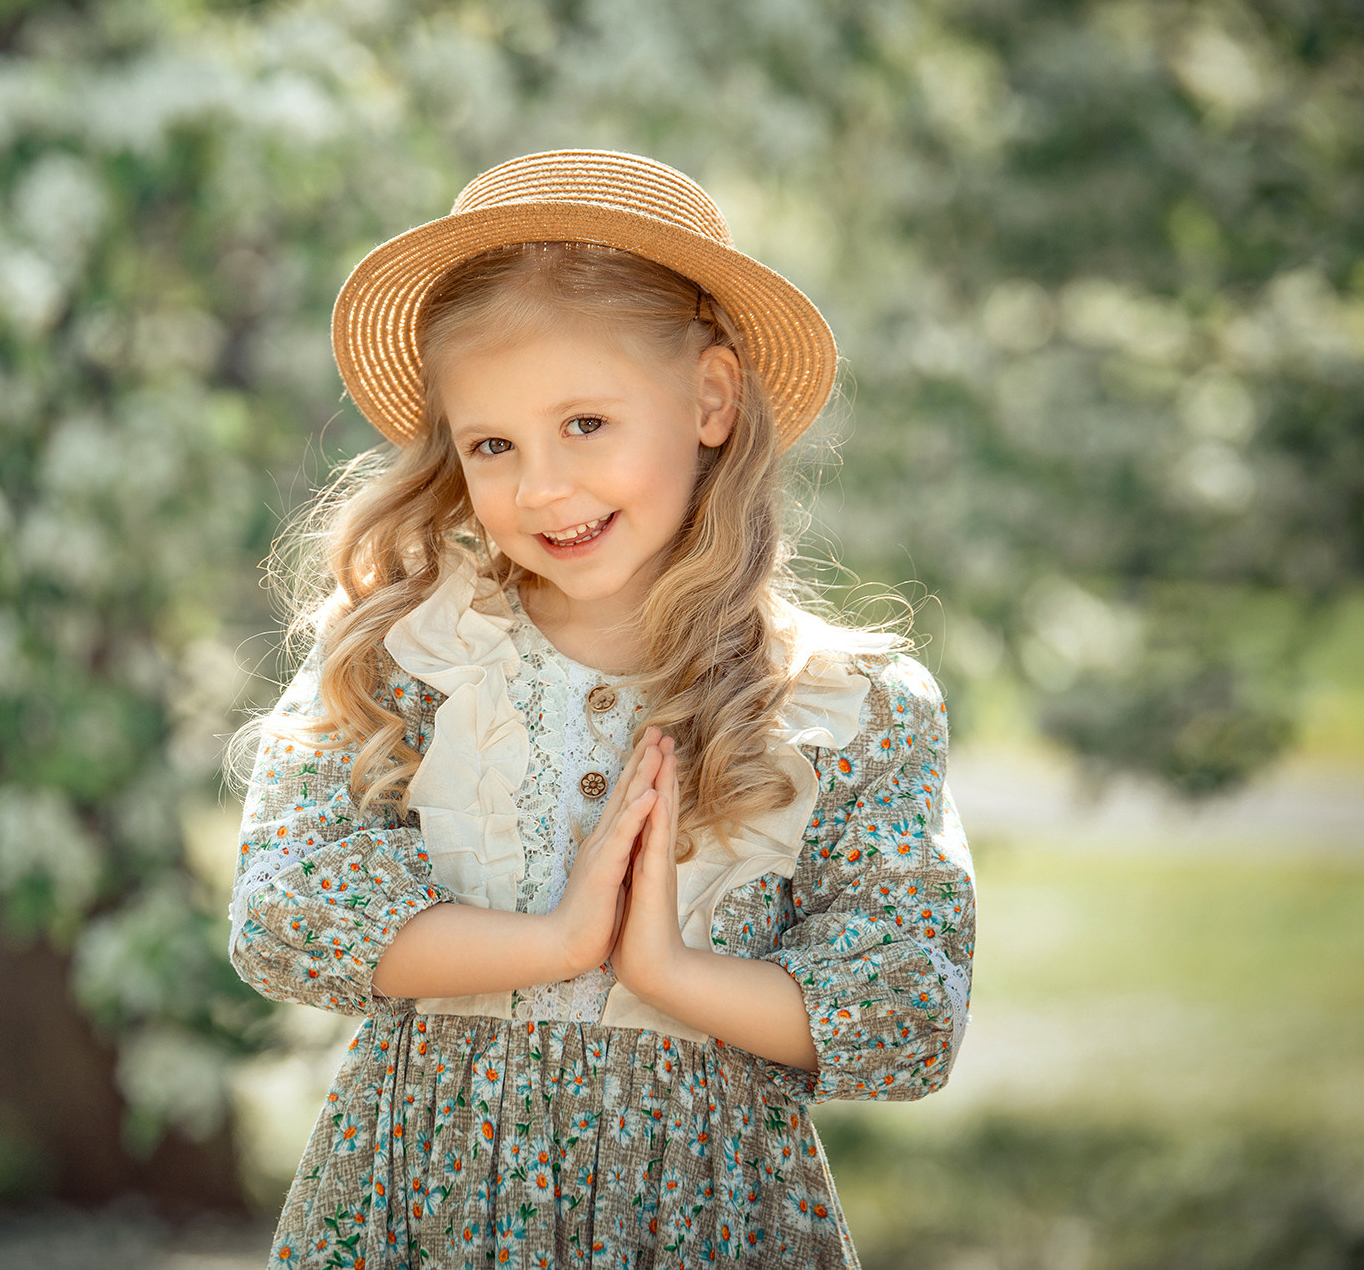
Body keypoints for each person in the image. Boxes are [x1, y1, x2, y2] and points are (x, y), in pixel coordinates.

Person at [224, 149, 977, 1267]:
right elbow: (285, 914)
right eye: (493, 444)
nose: (540, 487)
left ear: (711, 399)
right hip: (425, 1205)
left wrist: (667, 971)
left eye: (585, 423)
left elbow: (908, 1008)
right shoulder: (409, 658)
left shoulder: (841, 706)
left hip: (703, 1212)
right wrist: (553, 941)